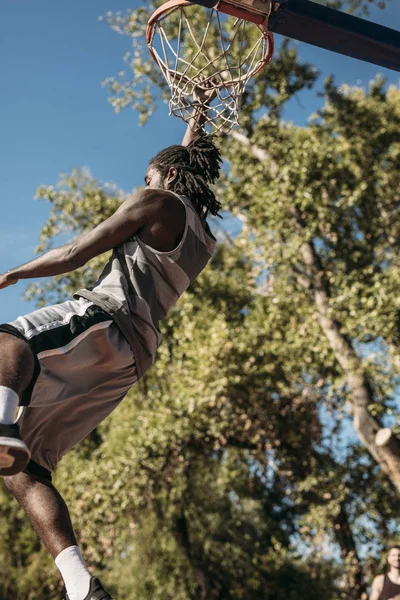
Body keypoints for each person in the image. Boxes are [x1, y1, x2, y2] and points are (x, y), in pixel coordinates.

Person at [0, 89, 221, 600]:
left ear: (162, 177)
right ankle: (81, 587)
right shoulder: (201, 238)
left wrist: (15, 272)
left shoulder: (156, 200)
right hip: (128, 361)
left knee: (9, 341)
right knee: (26, 469)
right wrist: (197, 120)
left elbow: (77, 252)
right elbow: (181, 165)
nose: (141, 184)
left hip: (104, 319)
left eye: (147, 177)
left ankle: (3, 421)